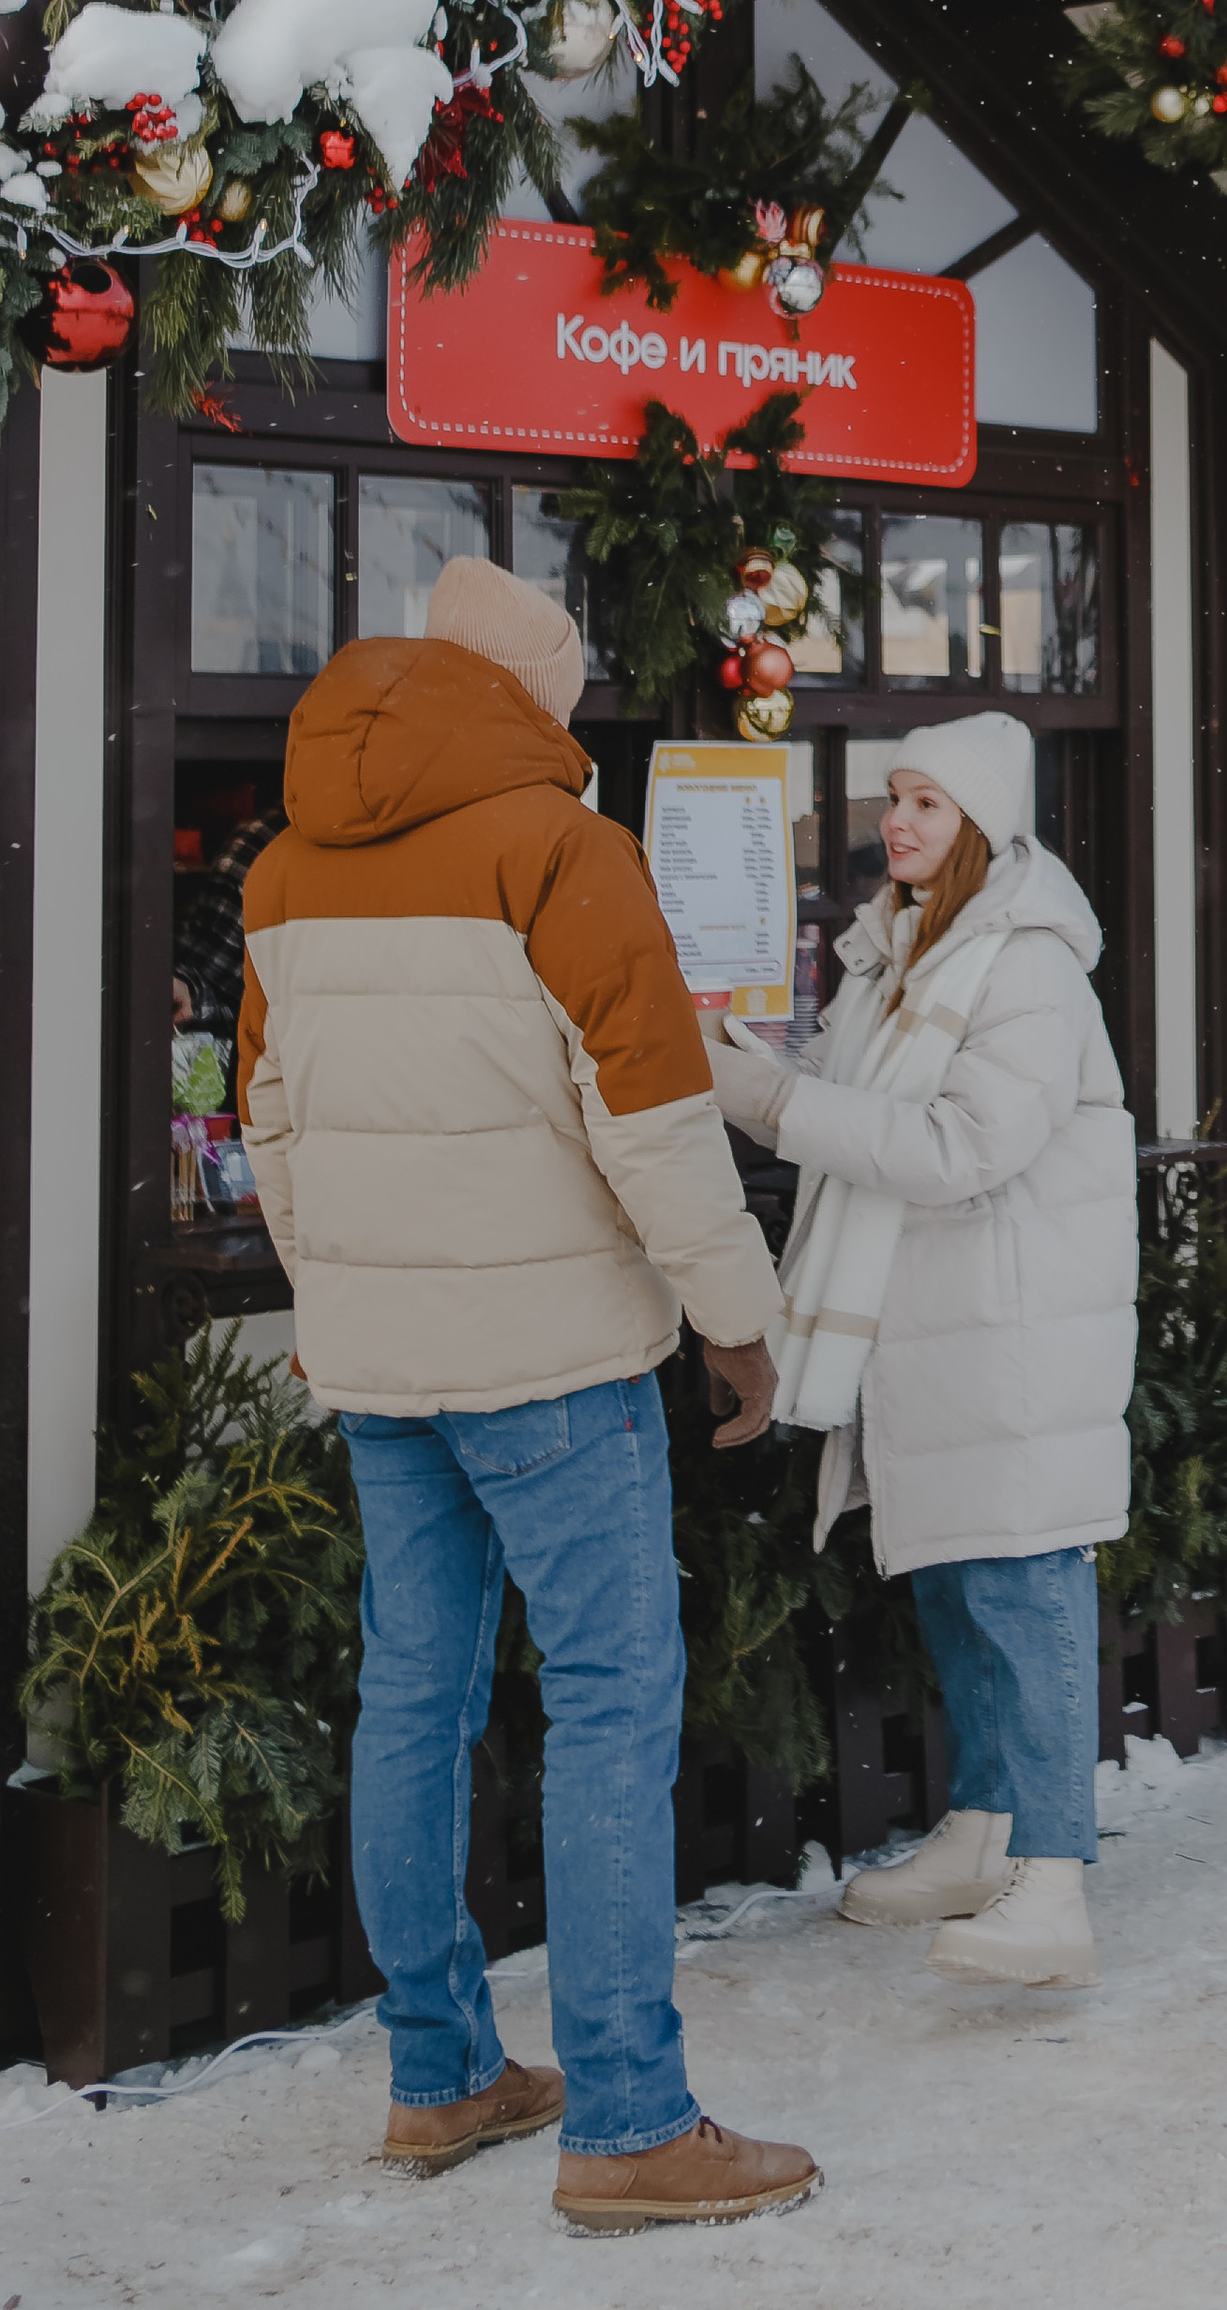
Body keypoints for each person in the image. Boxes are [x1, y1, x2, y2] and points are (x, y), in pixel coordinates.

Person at [238, 555, 818, 2234]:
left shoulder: (286, 869)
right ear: (531, 699)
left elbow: (272, 1127)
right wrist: (737, 1320)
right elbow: (652, 1124)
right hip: (556, 1363)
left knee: (412, 1694)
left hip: (380, 1366)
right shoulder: (565, 849)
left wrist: (341, 1288)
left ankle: (442, 2073)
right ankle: (629, 2118)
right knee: (611, 1702)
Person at [706, 708, 1137, 1989]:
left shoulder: (1028, 968)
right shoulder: (897, 955)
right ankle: (985, 1833)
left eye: (926, 804)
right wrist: (744, 1055)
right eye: (893, 797)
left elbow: (959, 1149)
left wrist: (769, 1101)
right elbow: (850, 1091)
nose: (895, 821)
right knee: (955, 1579)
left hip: (1010, 1326)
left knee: (1025, 1584)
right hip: (934, 1325)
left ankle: (1052, 1882)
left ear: (984, 826)